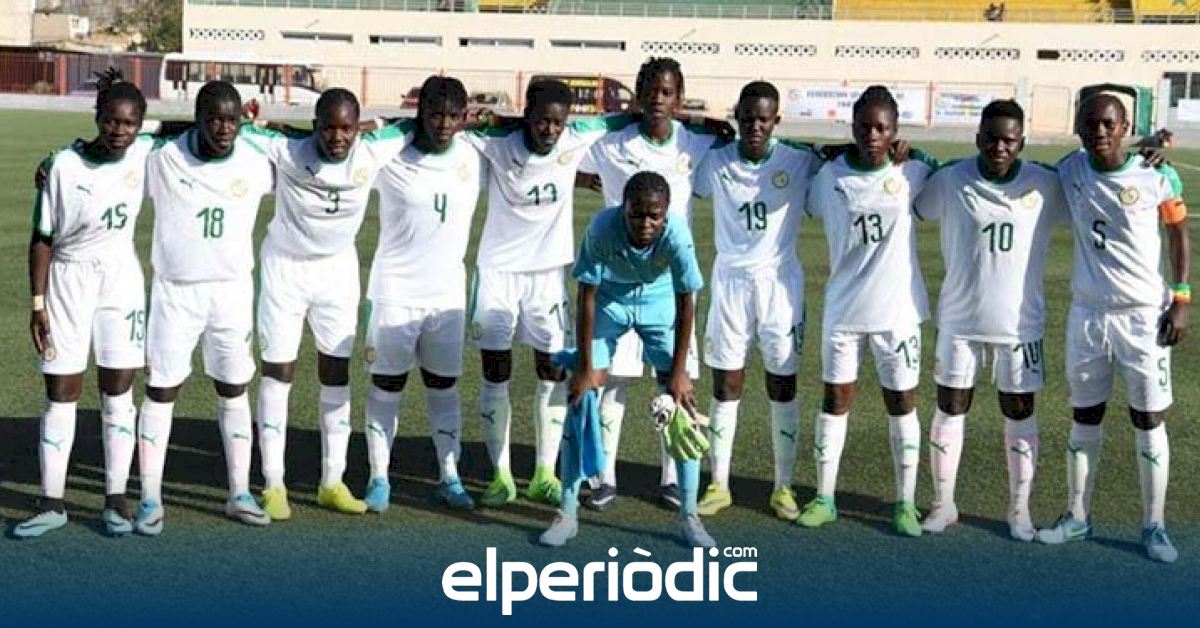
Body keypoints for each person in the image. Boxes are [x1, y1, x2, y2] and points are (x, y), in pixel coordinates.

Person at [463, 79, 635, 508]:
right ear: (527, 116)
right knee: (496, 371)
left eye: (558, 122)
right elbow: (446, 126)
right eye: (542, 120)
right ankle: (501, 474)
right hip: (498, 273)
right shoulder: (498, 141)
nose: (550, 130)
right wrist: (490, 118)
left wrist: (706, 124)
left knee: (552, 370)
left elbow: (628, 117)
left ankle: (544, 472)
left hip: (547, 276)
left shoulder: (576, 137)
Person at [247, 88, 414, 519]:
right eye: (328, 128)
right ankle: (274, 483)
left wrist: (491, 119)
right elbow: (232, 129)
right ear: (314, 126)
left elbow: (419, 125)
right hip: (285, 268)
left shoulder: (374, 150)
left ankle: (332, 481)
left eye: (346, 128)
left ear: (358, 128)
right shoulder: (287, 150)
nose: (337, 137)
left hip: (337, 272)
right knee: (278, 372)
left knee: (336, 372)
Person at [1037, 93, 1189, 564]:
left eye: (1108, 123)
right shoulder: (1070, 169)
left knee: (1148, 418)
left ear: (1124, 127)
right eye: (1090, 123)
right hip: (1087, 315)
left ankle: (1154, 524)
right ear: (1079, 128)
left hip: (1143, 318)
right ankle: (1076, 516)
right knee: (1085, 416)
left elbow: (1178, 231)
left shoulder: (1156, 174)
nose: (1099, 131)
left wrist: (1182, 297)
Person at [576, 57, 731, 510]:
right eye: (650, 91)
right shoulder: (611, 140)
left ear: (679, 98)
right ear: (638, 95)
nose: (658, 100)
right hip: (617, 281)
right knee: (614, 382)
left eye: (667, 92)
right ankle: (602, 477)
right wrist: (592, 179)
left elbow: (732, 136)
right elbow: (560, 150)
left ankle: (672, 479)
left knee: (676, 382)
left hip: (668, 284)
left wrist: (707, 122)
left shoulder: (694, 141)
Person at [913, 99, 1067, 541]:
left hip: (1020, 325)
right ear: (978, 137)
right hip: (959, 321)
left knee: (1019, 412)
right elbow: (918, 206)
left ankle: (1019, 510)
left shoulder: (1046, 184)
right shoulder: (951, 179)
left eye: (1009, 140)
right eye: (992, 138)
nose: (1000, 147)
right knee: (950, 407)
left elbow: (1088, 185)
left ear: (1022, 142)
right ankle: (943, 504)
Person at [15, 70, 155, 538]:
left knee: (119, 392)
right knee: (62, 389)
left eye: (129, 123)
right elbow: (42, 238)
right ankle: (52, 503)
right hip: (68, 280)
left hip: (121, 281)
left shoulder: (145, 151)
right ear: (97, 118)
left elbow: (189, 130)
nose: (119, 130)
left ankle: (116, 501)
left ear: (140, 125)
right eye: (111, 120)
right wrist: (38, 304)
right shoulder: (62, 166)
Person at [540, 171, 712, 548]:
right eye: (637, 214)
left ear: (666, 213)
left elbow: (687, 302)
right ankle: (567, 514)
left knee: (682, 405)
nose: (645, 223)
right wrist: (586, 369)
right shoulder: (603, 227)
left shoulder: (677, 235)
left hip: (659, 301)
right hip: (610, 301)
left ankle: (690, 516)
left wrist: (679, 372)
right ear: (623, 208)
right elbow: (587, 295)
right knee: (581, 399)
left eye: (655, 216)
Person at [135, 80, 275, 534]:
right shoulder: (163, 156)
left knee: (234, 388)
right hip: (175, 293)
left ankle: (240, 492)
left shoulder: (256, 160)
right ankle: (150, 498)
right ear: (197, 119)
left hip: (231, 292)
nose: (223, 128)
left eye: (231, 120)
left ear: (242, 120)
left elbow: (310, 150)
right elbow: (122, 136)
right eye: (213, 119)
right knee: (161, 390)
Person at [800, 85, 936, 537]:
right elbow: (804, 167)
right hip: (843, 311)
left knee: (901, 404)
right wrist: (830, 150)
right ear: (853, 127)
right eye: (865, 127)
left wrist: (919, 152)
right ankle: (824, 497)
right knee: (835, 402)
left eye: (882, 128)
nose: (873, 135)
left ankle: (905, 502)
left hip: (897, 313)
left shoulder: (913, 171)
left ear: (895, 131)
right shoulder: (829, 176)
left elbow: (947, 174)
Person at [690, 81, 822, 521]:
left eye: (763, 119)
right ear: (736, 118)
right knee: (725, 385)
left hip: (779, 287)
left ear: (776, 120)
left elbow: (845, 155)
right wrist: (705, 123)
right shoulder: (716, 160)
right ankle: (719, 483)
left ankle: (783, 486)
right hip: (730, 283)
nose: (754, 126)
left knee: (782, 383)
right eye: (746, 118)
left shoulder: (798, 159)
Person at [362, 76, 483, 512]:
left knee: (443, 387)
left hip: (447, 294)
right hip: (394, 290)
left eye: (453, 116)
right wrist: (394, 127)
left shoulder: (473, 154)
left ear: (464, 117)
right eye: (435, 114)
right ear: (420, 114)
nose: (444, 124)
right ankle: (379, 477)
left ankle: (450, 476)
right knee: (387, 384)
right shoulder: (391, 155)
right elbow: (347, 145)